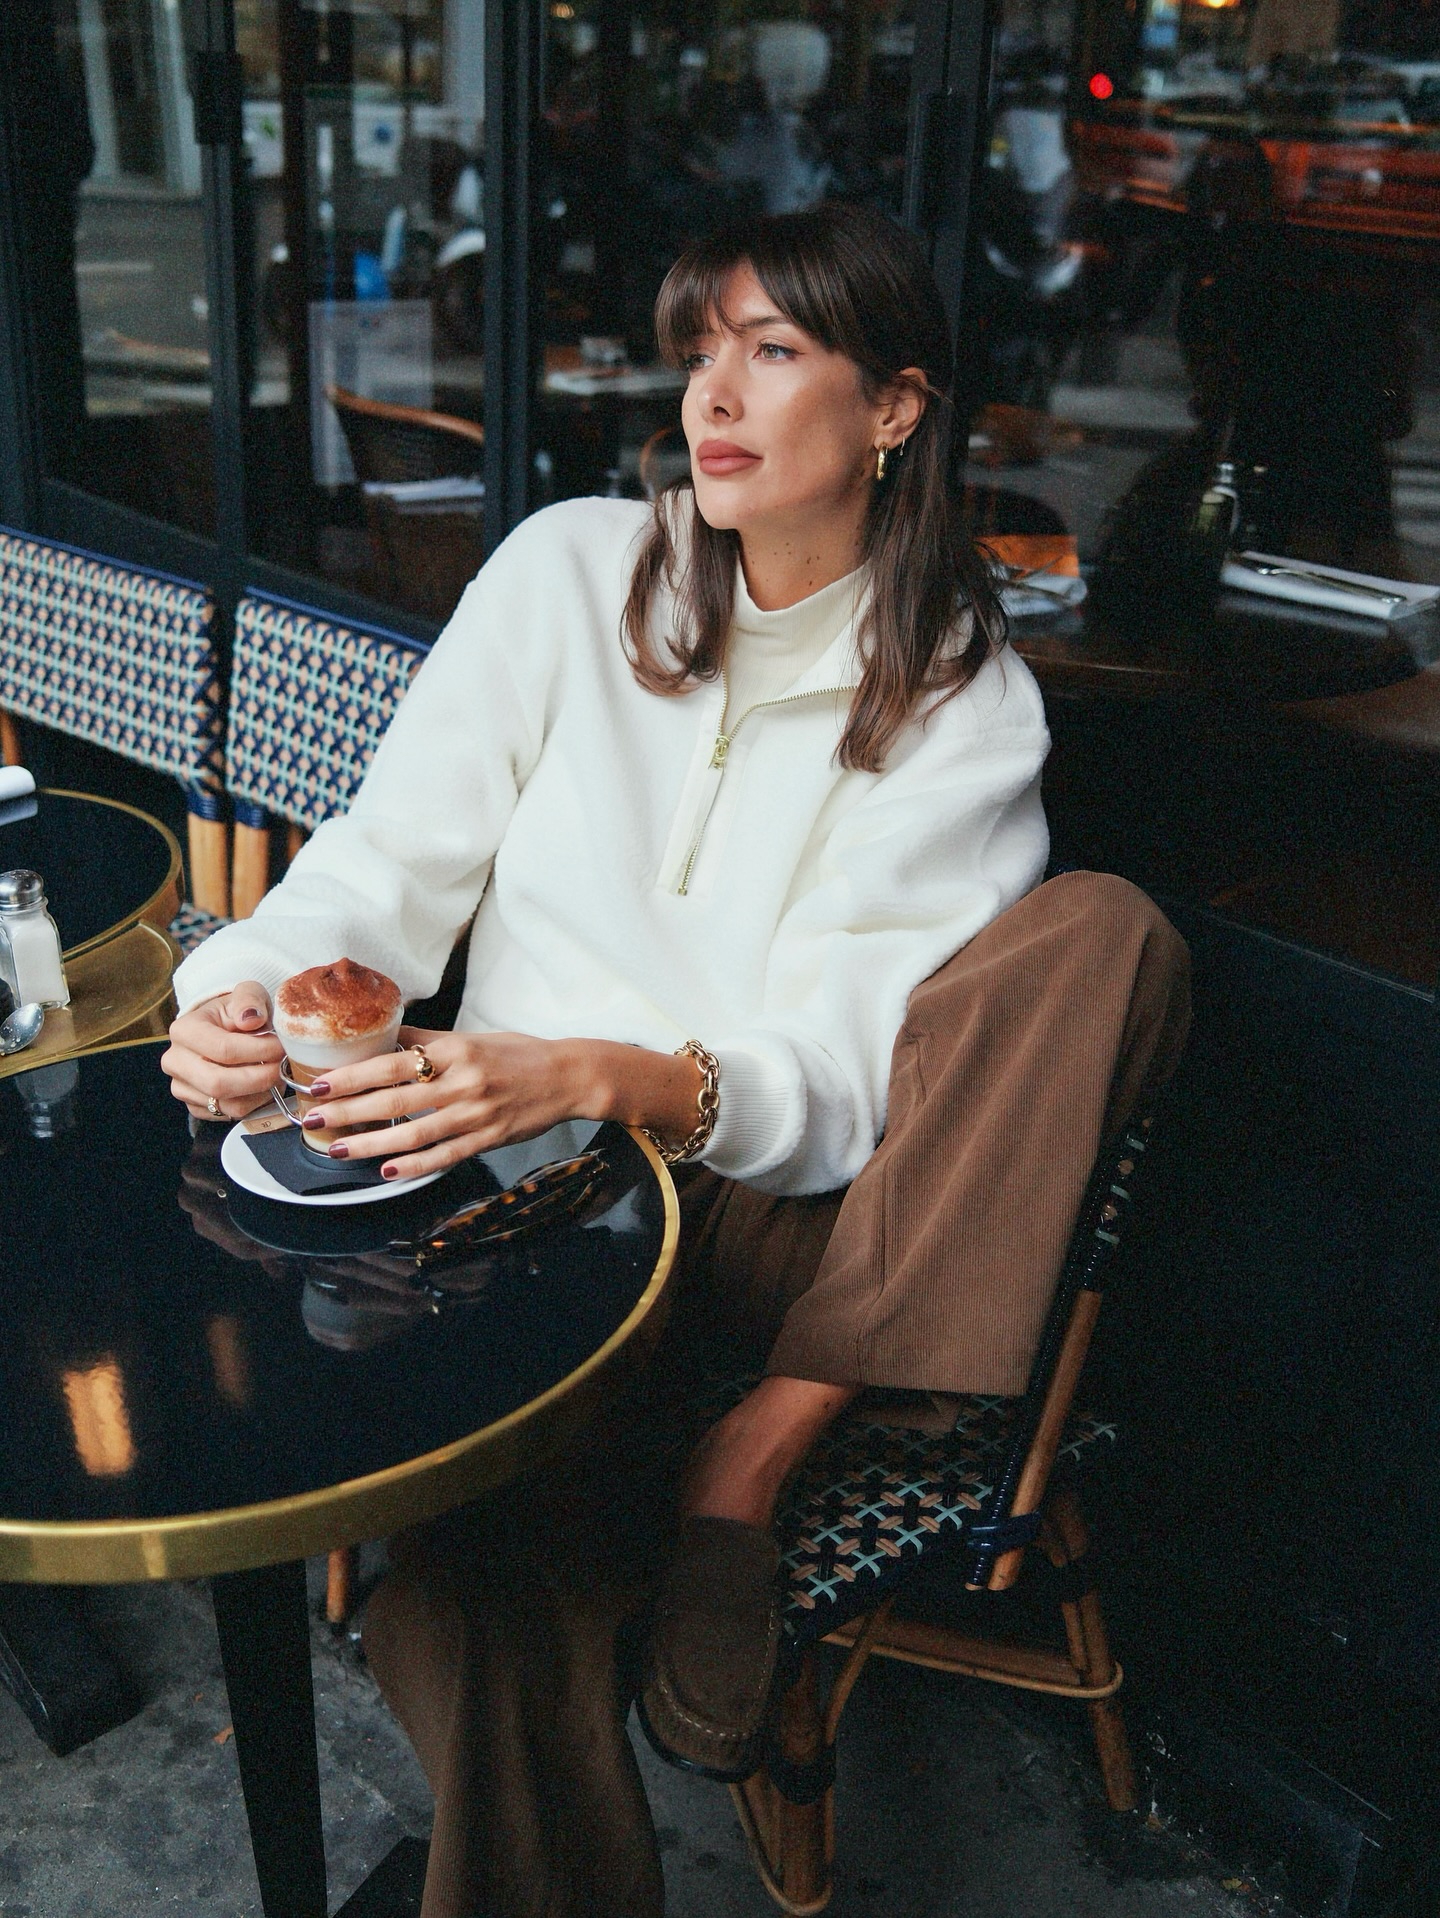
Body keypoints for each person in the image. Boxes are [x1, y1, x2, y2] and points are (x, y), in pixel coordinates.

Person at [162, 203, 1189, 1918]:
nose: (715, 391)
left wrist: (594, 1068)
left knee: (1106, 938)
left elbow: (854, 1077)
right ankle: (614, 1527)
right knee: (473, 1614)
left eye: (774, 351)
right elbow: (386, 863)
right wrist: (251, 986)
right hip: (537, 1211)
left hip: (803, 1221)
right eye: (702, 345)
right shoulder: (571, 571)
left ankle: (750, 1457)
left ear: (893, 410)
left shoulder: (962, 698)